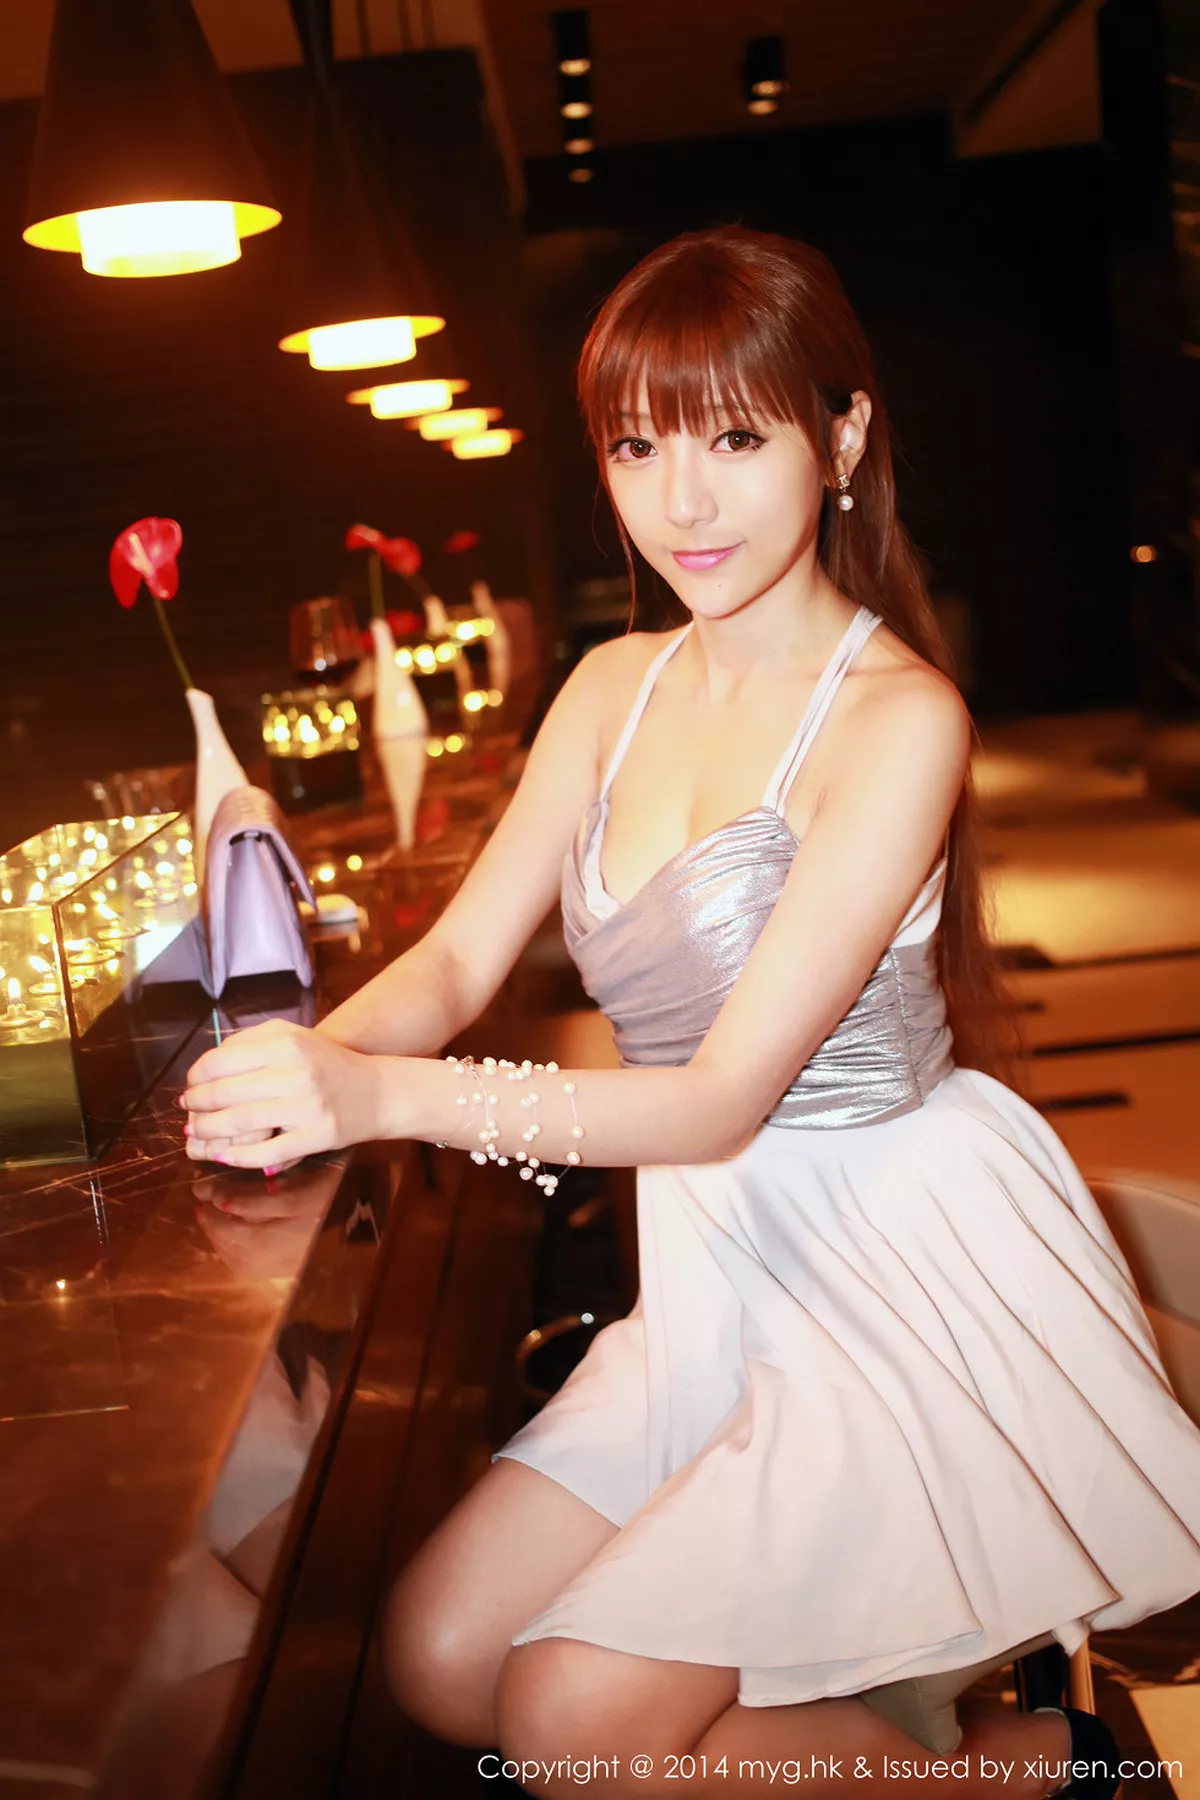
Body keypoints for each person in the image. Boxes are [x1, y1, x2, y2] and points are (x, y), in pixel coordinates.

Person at [181, 226, 1200, 1798]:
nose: (684, 502)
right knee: (439, 1662)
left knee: (567, 1727)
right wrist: (296, 1065)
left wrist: (382, 1099)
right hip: (718, 1277)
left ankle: (1046, 1773)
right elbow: (455, 964)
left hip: (889, 1285)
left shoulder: (900, 720)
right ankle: (998, 1755)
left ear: (841, 441)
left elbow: (722, 1101)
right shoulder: (612, 688)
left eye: (734, 439)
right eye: (638, 448)